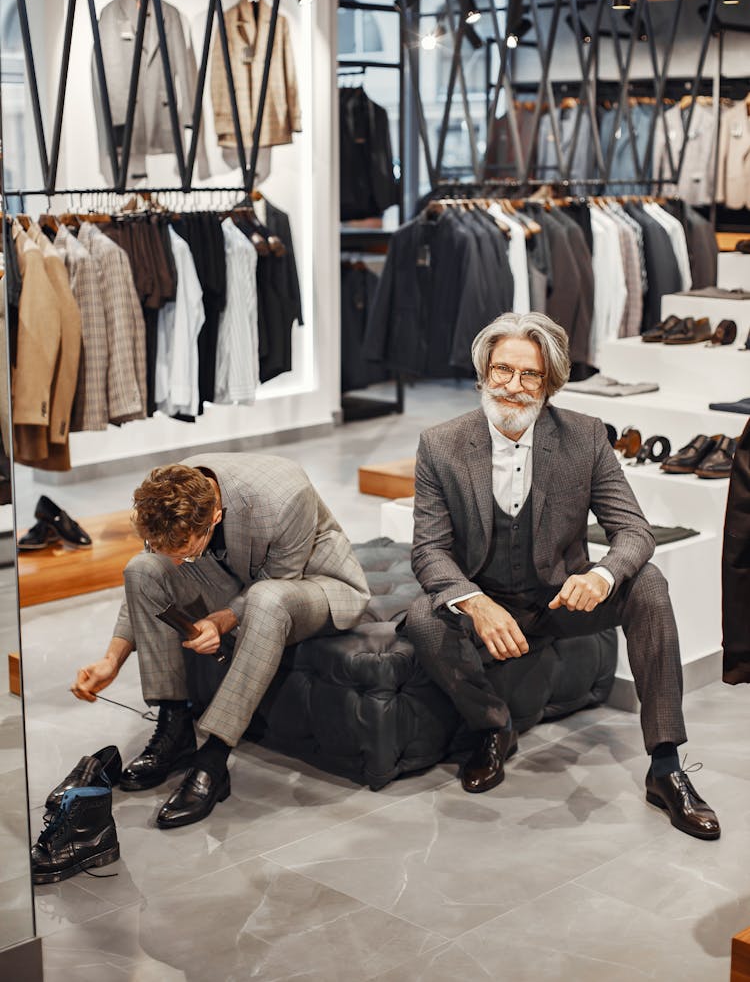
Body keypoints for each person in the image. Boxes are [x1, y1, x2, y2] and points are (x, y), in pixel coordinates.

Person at [407, 310, 720, 840]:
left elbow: (635, 531)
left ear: (549, 385)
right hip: (490, 601)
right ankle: (492, 727)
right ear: (484, 372)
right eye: (502, 370)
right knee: (423, 618)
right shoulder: (441, 444)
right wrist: (474, 602)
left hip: (562, 601)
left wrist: (601, 576)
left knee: (648, 584)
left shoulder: (584, 438)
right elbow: (428, 551)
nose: (513, 386)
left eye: (529, 375)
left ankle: (666, 766)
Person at [72, 453, 370, 828]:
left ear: (213, 516)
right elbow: (153, 577)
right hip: (240, 578)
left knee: (266, 599)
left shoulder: (285, 496)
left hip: (314, 584)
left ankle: (213, 757)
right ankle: (174, 726)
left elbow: (279, 581)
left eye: (186, 553)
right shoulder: (170, 496)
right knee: (142, 569)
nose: (178, 564)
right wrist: (111, 660)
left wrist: (221, 620)